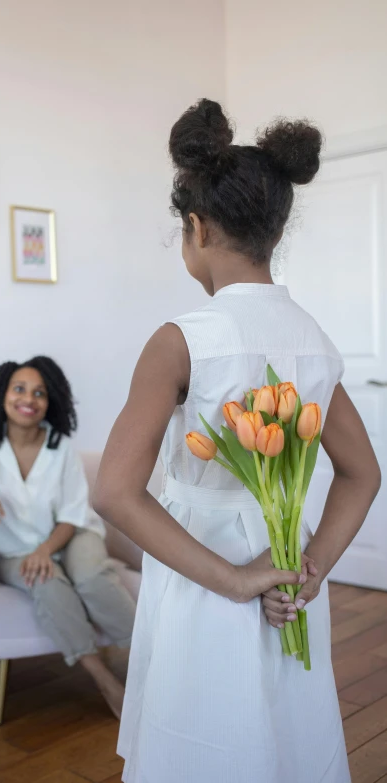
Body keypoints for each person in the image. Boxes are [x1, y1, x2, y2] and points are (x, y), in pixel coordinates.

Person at [93, 100, 381, 782]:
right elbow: (362, 472)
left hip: (204, 569)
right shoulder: (313, 338)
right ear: (275, 230)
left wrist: (234, 578)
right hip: (287, 570)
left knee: (201, 732)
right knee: (281, 731)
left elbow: (113, 490)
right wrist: (308, 567)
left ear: (195, 227)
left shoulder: (181, 339)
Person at [0, 356, 136, 719]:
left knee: (93, 577)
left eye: (39, 392)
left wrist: (46, 550)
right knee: (48, 584)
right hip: (13, 552)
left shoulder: (59, 448)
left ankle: (148, 662)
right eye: (19, 389)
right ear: (2, 394)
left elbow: (71, 515)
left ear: (51, 402)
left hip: (72, 536)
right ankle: (105, 681)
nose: (28, 399)